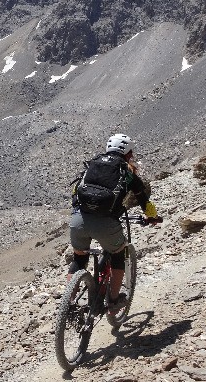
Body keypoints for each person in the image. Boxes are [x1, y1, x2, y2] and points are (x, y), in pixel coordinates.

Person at [68, 133, 159, 315]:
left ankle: (69, 301)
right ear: (127, 153)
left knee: (79, 258)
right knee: (119, 254)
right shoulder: (127, 172)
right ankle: (114, 301)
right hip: (106, 224)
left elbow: (75, 191)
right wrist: (152, 217)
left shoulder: (92, 165)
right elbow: (143, 199)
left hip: (78, 220)